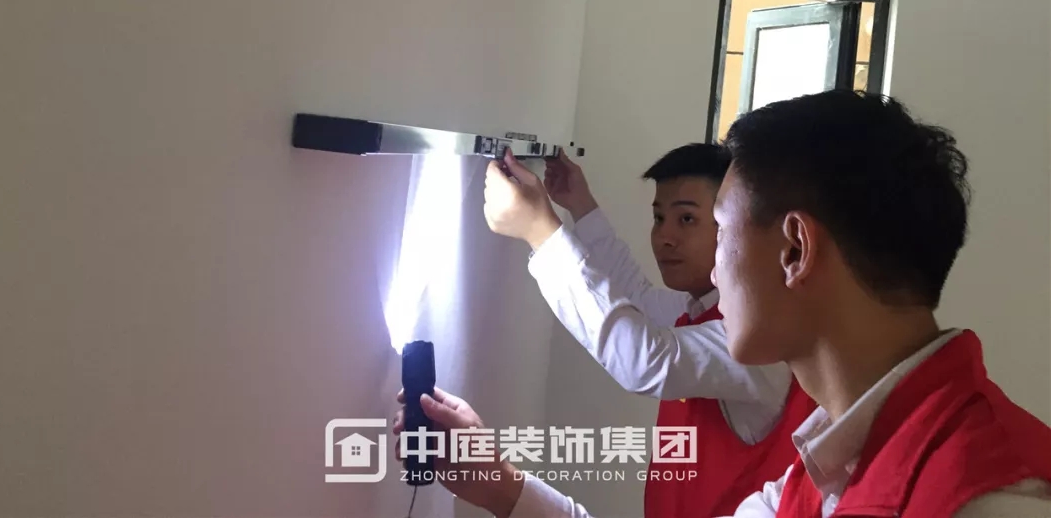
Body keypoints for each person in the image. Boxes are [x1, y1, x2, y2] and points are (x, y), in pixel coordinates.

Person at [393, 91, 1051, 517]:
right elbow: (637, 301)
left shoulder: (997, 495)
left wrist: (544, 233)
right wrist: (501, 484)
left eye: (720, 228)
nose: (708, 264)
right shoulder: (817, 472)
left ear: (794, 249)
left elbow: (643, 351)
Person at [531, 144, 814, 517]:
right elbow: (636, 298)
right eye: (658, 217)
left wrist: (541, 233)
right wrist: (580, 205)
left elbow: (644, 360)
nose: (665, 236)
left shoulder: (759, 341)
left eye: (687, 219)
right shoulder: (697, 309)